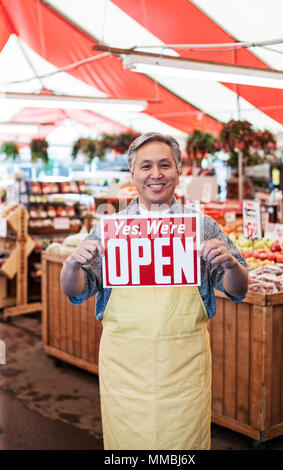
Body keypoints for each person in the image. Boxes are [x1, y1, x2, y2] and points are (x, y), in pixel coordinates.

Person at [60, 132, 248, 450]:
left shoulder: (203, 227)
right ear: (133, 173)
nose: (156, 174)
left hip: (184, 367)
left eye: (165, 165)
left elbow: (238, 290)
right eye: (146, 166)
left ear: (178, 170)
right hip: (125, 367)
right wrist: (72, 265)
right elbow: (75, 292)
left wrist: (230, 265)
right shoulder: (109, 229)